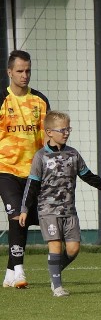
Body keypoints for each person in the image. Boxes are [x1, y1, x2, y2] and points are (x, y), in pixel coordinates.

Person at [18, 111, 101, 296]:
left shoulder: (73, 154)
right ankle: (57, 287)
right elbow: (32, 184)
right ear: (49, 132)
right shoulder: (41, 157)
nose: (66, 133)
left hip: (69, 210)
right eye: (62, 129)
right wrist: (24, 209)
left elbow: (87, 175)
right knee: (55, 245)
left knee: (73, 249)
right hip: (48, 210)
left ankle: (53, 272)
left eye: (68, 129)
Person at [1, 50, 49, 289]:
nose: (24, 75)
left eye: (28, 70)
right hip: (6, 170)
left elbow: (45, 140)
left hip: (32, 173)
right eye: (19, 71)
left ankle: (10, 271)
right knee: (15, 216)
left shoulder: (40, 101)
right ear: (9, 72)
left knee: (25, 218)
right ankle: (19, 271)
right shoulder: (2, 99)